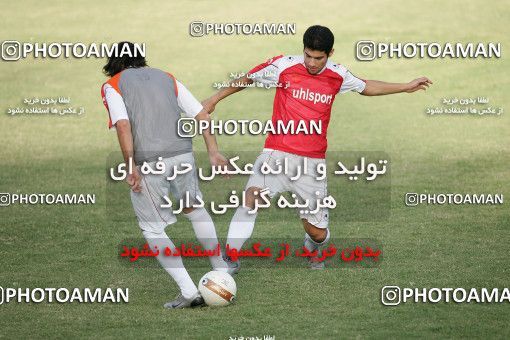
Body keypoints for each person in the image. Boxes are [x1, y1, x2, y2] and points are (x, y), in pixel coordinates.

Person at [201, 25, 432, 272]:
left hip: (312, 163)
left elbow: (366, 86)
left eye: (318, 58)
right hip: (276, 152)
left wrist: (405, 86)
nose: (311, 62)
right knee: (250, 200)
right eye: (308, 55)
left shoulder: (338, 74)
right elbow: (248, 77)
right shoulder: (283, 66)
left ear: (330, 53)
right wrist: (214, 100)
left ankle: (313, 247)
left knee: (317, 232)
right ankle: (230, 258)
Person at [101, 42, 228, 308]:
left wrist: (130, 165)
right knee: (195, 209)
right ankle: (221, 268)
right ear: (141, 59)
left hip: (149, 163)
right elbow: (201, 113)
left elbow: (123, 125)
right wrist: (213, 152)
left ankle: (188, 292)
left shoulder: (113, 85)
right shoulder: (167, 77)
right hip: (183, 155)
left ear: (114, 62)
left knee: (152, 227)